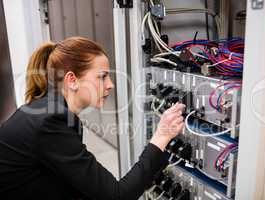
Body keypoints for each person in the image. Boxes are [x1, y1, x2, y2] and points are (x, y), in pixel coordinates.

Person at [0, 37, 185, 200]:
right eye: (102, 77)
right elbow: (118, 195)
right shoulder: (49, 123)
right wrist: (160, 137)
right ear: (72, 80)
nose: (110, 85)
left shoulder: (49, 110)